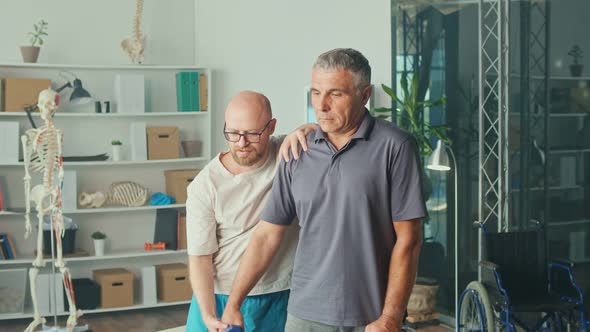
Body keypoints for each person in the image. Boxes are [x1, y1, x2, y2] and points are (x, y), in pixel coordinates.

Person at [220, 48, 427, 332]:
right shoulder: (297, 151)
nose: (322, 105)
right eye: (316, 92)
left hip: (371, 318)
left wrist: (390, 317)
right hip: (304, 316)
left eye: (336, 94)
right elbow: (267, 235)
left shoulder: (396, 147)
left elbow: (409, 240)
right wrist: (234, 303)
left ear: (364, 95)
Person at [185, 90, 316, 332]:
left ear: (271, 127)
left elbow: (325, 134)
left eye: (252, 134)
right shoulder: (204, 186)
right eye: (233, 134)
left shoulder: (288, 153)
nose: (242, 143)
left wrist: (309, 128)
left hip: (278, 292)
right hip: (220, 295)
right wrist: (208, 314)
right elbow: (200, 258)